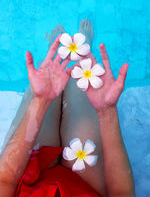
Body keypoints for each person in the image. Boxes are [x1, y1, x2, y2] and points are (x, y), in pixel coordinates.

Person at [0, 20, 135, 197]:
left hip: (28, 179)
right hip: (86, 186)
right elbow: (121, 192)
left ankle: (60, 52)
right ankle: (79, 49)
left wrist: (40, 101)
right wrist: (106, 112)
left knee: (44, 83)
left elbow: (5, 181)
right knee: (82, 84)